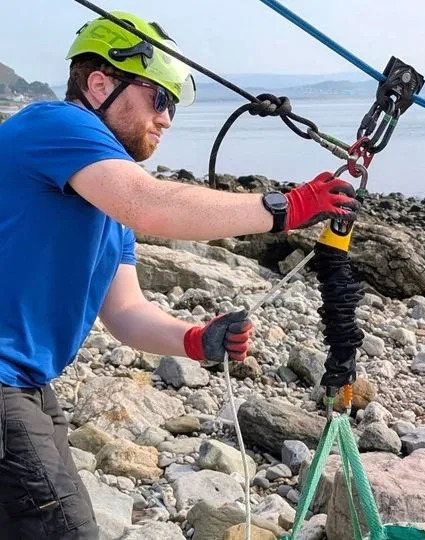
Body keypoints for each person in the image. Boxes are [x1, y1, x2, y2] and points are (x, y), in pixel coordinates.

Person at [0, 11, 360, 539]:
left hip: (28, 382)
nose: (166, 118)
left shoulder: (105, 201)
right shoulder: (56, 123)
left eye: (172, 104)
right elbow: (149, 204)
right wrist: (287, 207)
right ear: (99, 83)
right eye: (158, 98)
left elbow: (125, 313)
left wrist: (195, 340)